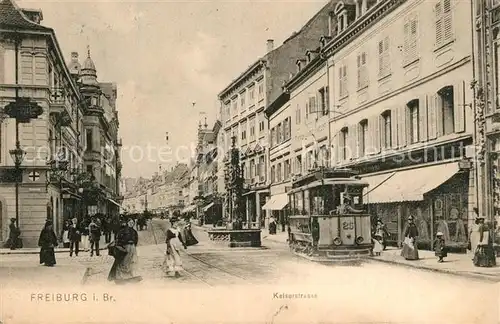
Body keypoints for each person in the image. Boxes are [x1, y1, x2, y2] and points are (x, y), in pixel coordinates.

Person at [108, 219, 141, 284]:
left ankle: (129, 275)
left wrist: (133, 246)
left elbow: (136, 239)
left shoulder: (134, 231)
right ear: (127, 223)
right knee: (123, 262)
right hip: (125, 247)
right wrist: (122, 246)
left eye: (132, 222)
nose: (131, 224)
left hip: (132, 247)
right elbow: (118, 239)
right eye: (130, 222)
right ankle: (120, 277)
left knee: (131, 261)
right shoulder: (122, 231)